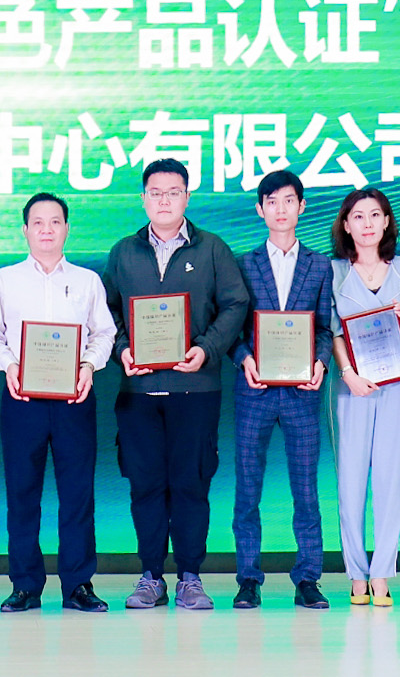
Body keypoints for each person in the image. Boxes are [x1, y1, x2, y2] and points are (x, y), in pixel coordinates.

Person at [102, 158, 250, 612]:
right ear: (143, 198)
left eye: (173, 192)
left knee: (191, 484)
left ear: (187, 197)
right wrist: (122, 350)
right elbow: (106, 312)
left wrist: (206, 348)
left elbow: (235, 304)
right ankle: (150, 576)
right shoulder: (123, 252)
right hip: (138, 393)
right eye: (156, 192)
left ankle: (190, 577)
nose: (164, 200)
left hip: (196, 390)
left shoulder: (212, 249)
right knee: (145, 485)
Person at [0, 192, 116, 614]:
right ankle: (25, 585)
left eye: (55, 222)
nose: (46, 230)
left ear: (67, 229)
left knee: (78, 494)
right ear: (25, 230)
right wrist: (10, 365)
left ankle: (78, 584)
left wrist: (89, 366)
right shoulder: (5, 280)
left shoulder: (88, 281)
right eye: (37, 222)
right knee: (22, 493)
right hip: (22, 398)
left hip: (75, 397)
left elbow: (104, 333)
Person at [229, 169, 335, 611]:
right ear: (260, 210)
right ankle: (248, 578)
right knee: (247, 488)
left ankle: (308, 577)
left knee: (306, 490)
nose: (280, 209)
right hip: (254, 389)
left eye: (288, 200)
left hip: (302, 391)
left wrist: (321, 362)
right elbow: (231, 329)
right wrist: (244, 359)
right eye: (271, 201)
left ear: (302, 206)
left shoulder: (320, 265)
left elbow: (325, 328)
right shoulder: (243, 264)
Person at [328, 186, 400, 608]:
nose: (367, 223)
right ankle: (355, 573)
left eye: (375, 215)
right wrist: (348, 374)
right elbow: (332, 331)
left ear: (387, 221)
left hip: (396, 383)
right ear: (346, 225)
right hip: (351, 385)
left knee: (390, 476)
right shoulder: (332, 271)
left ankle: (382, 572)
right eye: (358, 216)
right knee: (350, 479)